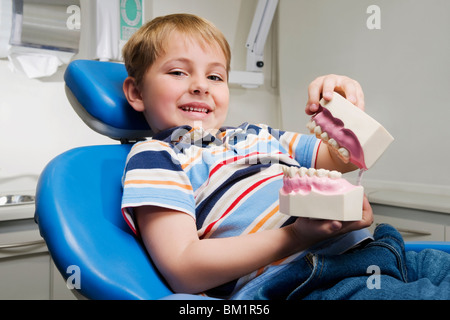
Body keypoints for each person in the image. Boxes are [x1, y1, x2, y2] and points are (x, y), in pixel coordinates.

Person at [120, 13, 450, 300]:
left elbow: (344, 157)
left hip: (380, 250)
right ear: (136, 92)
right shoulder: (157, 156)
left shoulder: (257, 135)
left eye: (215, 76)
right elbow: (184, 268)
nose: (200, 86)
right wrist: (296, 236)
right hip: (305, 281)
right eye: (178, 72)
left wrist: (340, 103)